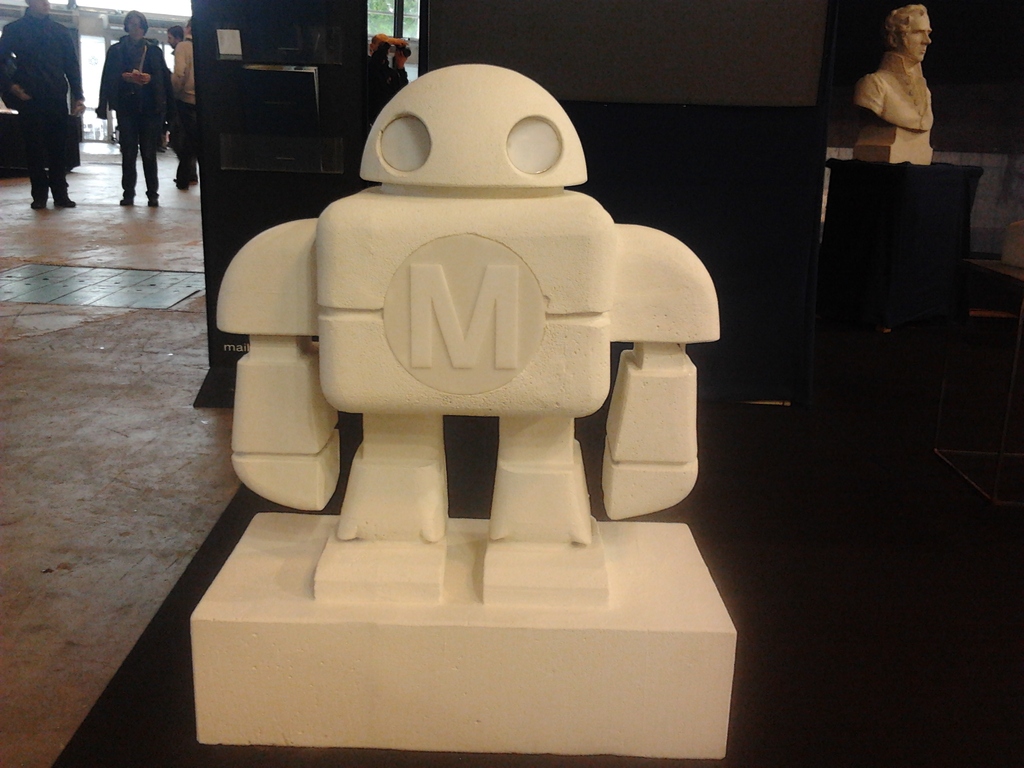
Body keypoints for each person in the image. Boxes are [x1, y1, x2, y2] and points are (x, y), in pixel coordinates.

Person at [0, 0, 86, 209]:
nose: (46, 3)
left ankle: (60, 193)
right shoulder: (14, 29)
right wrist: (10, 86)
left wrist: (79, 95)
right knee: (34, 148)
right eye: (41, 0)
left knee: (58, 148)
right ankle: (39, 194)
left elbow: (71, 65)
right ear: (30, 2)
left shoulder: (60, 31)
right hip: (29, 96)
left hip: (56, 95)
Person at [96, 10, 174, 207]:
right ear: (127, 26)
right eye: (132, 24)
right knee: (128, 153)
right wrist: (121, 80)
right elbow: (107, 78)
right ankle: (128, 193)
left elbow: (163, 79)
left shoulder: (154, 51)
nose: (135, 28)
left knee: (149, 153)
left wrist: (150, 79)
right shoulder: (116, 50)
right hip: (126, 107)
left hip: (150, 108)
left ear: (143, 27)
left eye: (138, 25)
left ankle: (152, 194)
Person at [852, 4, 933, 165]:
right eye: (917, 32)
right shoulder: (873, 85)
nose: (927, 41)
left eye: (928, 33)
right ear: (894, 39)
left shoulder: (925, 91)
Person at [168, 18, 198, 190]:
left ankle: (183, 179)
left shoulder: (183, 47)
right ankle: (189, 178)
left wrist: (173, 94)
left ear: (188, 28)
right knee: (196, 142)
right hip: (204, 103)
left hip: (185, 100)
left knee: (183, 142)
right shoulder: (207, 46)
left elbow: (179, 73)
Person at [367, 33, 409, 128]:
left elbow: (402, 91)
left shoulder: (391, 73)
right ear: (371, 46)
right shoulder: (368, 65)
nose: (385, 48)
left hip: (387, 118)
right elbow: (376, 62)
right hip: (371, 118)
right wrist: (390, 41)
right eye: (381, 44)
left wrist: (400, 67)